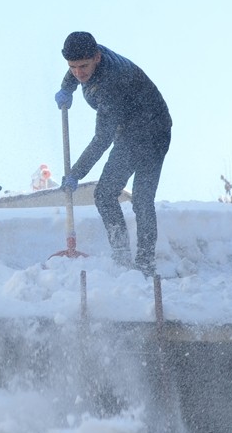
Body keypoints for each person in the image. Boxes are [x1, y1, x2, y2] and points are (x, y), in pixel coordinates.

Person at [54, 31, 172, 276]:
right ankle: (121, 258)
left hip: (154, 130)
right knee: (105, 195)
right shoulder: (89, 57)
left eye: (83, 67)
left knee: (141, 199)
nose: (78, 73)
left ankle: (145, 263)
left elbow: (102, 139)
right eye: (72, 67)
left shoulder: (110, 84)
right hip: (128, 129)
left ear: (97, 57)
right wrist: (67, 88)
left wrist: (75, 173)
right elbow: (76, 71)